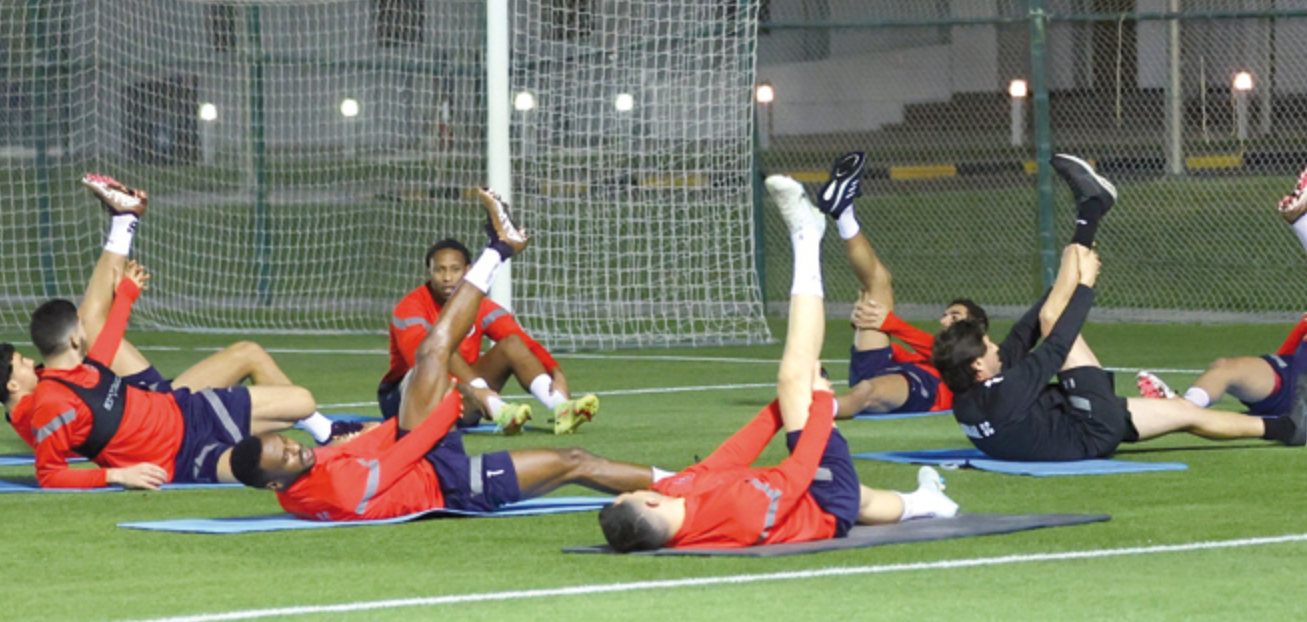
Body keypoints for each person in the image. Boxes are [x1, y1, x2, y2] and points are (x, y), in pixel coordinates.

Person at [229, 190, 652, 520]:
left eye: (284, 441)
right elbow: (405, 447)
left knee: (447, 355)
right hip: (450, 481)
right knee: (573, 462)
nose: (293, 449)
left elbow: (513, 336)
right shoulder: (338, 491)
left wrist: (553, 371)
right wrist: (456, 404)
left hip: (425, 440)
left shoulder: (293, 485)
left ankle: (500, 250)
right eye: (284, 455)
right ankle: (500, 250)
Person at [596, 175, 961, 551]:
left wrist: (779, 409)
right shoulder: (739, 513)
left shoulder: (672, 490)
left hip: (812, 491)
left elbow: (730, 456)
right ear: (650, 503)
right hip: (825, 501)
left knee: (860, 494)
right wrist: (816, 400)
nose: (638, 489)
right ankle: (806, 237)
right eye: (631, 495)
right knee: (793, 375)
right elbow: (799, 472)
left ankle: (927, 502)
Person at [932, 155, 1307, 463]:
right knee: (1054, 321)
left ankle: (1288, 429)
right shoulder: (1004, 393)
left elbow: (1021, 335)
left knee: (1186, 412)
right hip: (1091, 423)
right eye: (989, 348)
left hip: (1083, 424)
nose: (998, 347)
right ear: (979, 367)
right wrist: (1083, 287)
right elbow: (1054, 340)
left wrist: (1064, 280)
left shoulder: (970, 396)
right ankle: (1092, 209)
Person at [0, 174, 327, 489]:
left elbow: (102, 351)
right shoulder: (45, 405)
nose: (32, 362)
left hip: (171, 406)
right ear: (13, 385)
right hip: (170, 446)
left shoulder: (57, 382)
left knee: (293, 395)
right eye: (22, 364)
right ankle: (124, 220)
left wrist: (125, 297)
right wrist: (116, 475)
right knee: (260, 455)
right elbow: (51, 472)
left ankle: (124, 220)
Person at [1167, 165, 1307, 417]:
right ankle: (1181, 408)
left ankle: (1300, 219)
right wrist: (1303, 327)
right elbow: (1287, 357)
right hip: (1291, 381)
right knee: (1224, 367)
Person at [811, 150, 986, 418]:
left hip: (923, 387)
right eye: (946, 313)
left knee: (869, 390)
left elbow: (943, 353)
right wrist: (866, 322)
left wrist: (889, 323)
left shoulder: (978, 352)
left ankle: (820, 408)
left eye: (956, 315)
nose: (946, 319)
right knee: (879, 282)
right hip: (883, 366)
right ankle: (844, 212)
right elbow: (899, 352)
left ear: (976, 327)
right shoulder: (932, 350)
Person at [379, 237, 599, 434]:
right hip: (407, 396)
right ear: (429, 272)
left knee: (512, 343)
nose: (447, 277)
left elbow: (521, 339)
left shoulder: (480, 307)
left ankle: (560, 407)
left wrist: (555, 371)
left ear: (468, 271)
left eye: (454, 269)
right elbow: (422, 363)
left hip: (463, 389)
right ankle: (500, 410)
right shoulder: (410, 308)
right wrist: (476, 390)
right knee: (441, 346)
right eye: (440, 270)